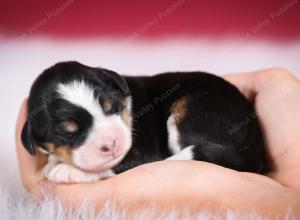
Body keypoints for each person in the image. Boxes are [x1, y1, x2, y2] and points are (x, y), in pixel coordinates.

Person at [15, 67, 300, 218]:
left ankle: (214, 157)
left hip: (212, 107)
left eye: (112, 108)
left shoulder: (140, 106)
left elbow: (140, 158)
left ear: (117, 89)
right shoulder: (40, 134)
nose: (109, 139)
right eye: (71, 133)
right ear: (36, 141)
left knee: (185, 116)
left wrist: (93, 173)